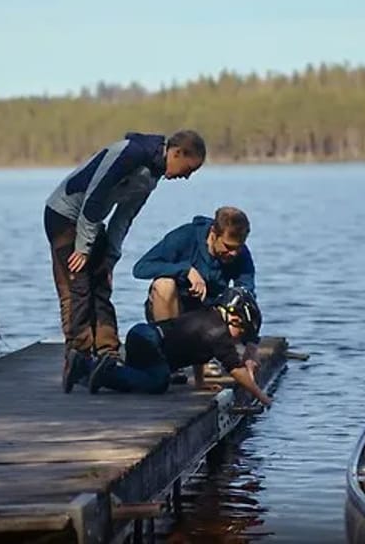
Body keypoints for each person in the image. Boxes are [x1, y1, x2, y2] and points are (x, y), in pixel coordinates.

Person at [45, 130, 206, 393]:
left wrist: (110, 256)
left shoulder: (151, 177)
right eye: (188, 169)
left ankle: (107, 353)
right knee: (79, 286)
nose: (186, 177)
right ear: (177, 153)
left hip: (89, 221)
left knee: (102, 283)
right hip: (63, 215)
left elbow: (123, 217)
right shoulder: (130, 153)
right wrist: (84, 249)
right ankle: (78, 356)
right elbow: (93, 198)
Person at [66, 286, 272, 408]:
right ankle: (102, 370)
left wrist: (199, 382)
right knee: (159, 381)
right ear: (234, 318)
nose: (239, 340)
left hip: (142, 336)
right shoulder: (218, 332)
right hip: (149, 339)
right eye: (242, 332)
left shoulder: (210, 319)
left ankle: (86, 370)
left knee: (145, 378)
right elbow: (236, 371)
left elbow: (198, 355)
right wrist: (262, 397)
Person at [133, 206, 255, 385]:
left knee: (235, 303)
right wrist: (185, 270)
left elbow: (247, 298)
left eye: (238, 248)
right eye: (228, 247)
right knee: (164, 284)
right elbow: (140, 268)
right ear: (214, 233)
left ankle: (200, 362)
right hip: (170, 312)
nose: (233, 253)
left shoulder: (241, 256)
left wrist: (251, 345)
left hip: (205, 319)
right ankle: (167, 359)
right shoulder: (185, 237)